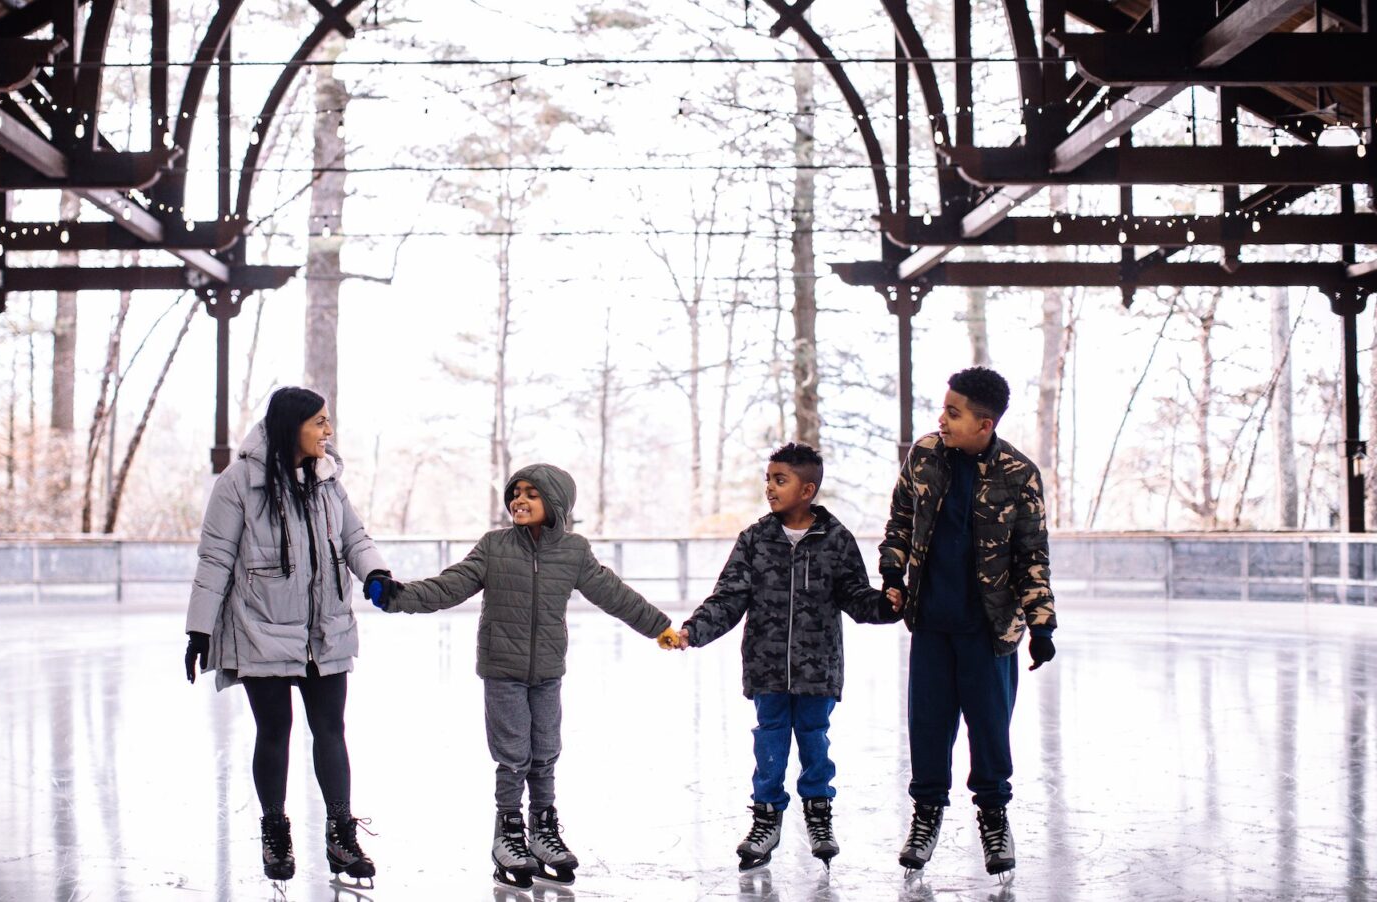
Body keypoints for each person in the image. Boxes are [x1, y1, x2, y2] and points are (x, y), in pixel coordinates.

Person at [369, 463, 675, 888]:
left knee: (546, 752)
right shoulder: (494, 546)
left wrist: (658, 626)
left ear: (555, 502)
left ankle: (543, 829)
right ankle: (508, 833)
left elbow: (613, 594)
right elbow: (449, 586)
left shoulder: (574, 551)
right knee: (513, 755)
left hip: (547, 669)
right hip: (503, 669)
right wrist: (398, 596)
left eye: (532, 493)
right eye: (516, 493)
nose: (520, 500)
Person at [183, 386, 401, 888]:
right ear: (291, 425)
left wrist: (375, 573)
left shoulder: (327, 480)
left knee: (331, 730)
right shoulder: (239, 482)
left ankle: (341, 836)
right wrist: (199, 627)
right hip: (261, 624)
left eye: (328, 421)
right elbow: (215, 558)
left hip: (326, 626)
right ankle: (275, 831)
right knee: (275, 730)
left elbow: (354, 537)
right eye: (319, 421)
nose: (328, 431)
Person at [659, 442, 900, 871]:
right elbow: (728, 598)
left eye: (780, 480)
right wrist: (693, 632)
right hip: (766, 667)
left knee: (814, 738)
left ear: (807, 490)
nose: (769, 488)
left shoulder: (836, 540)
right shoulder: (755, 540)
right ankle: (766, 818)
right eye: (768, 479)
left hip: (817, 670)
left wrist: (887, 605)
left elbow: (856, 597)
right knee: (769, 741)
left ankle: (818, 814)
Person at [879, 366, 1057, 879]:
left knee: (990, 731)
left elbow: (1032, 555)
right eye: (944, 408)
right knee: (928, 727)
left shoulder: (1019, 474)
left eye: (953, 413)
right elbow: (899, 521)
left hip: (989, 630)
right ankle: (926, 815)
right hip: (931, 624)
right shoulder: (925, 455)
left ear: (984, 424)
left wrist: (1042, 626)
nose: (942, 419)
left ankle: (994, 817)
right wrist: (892, 573)